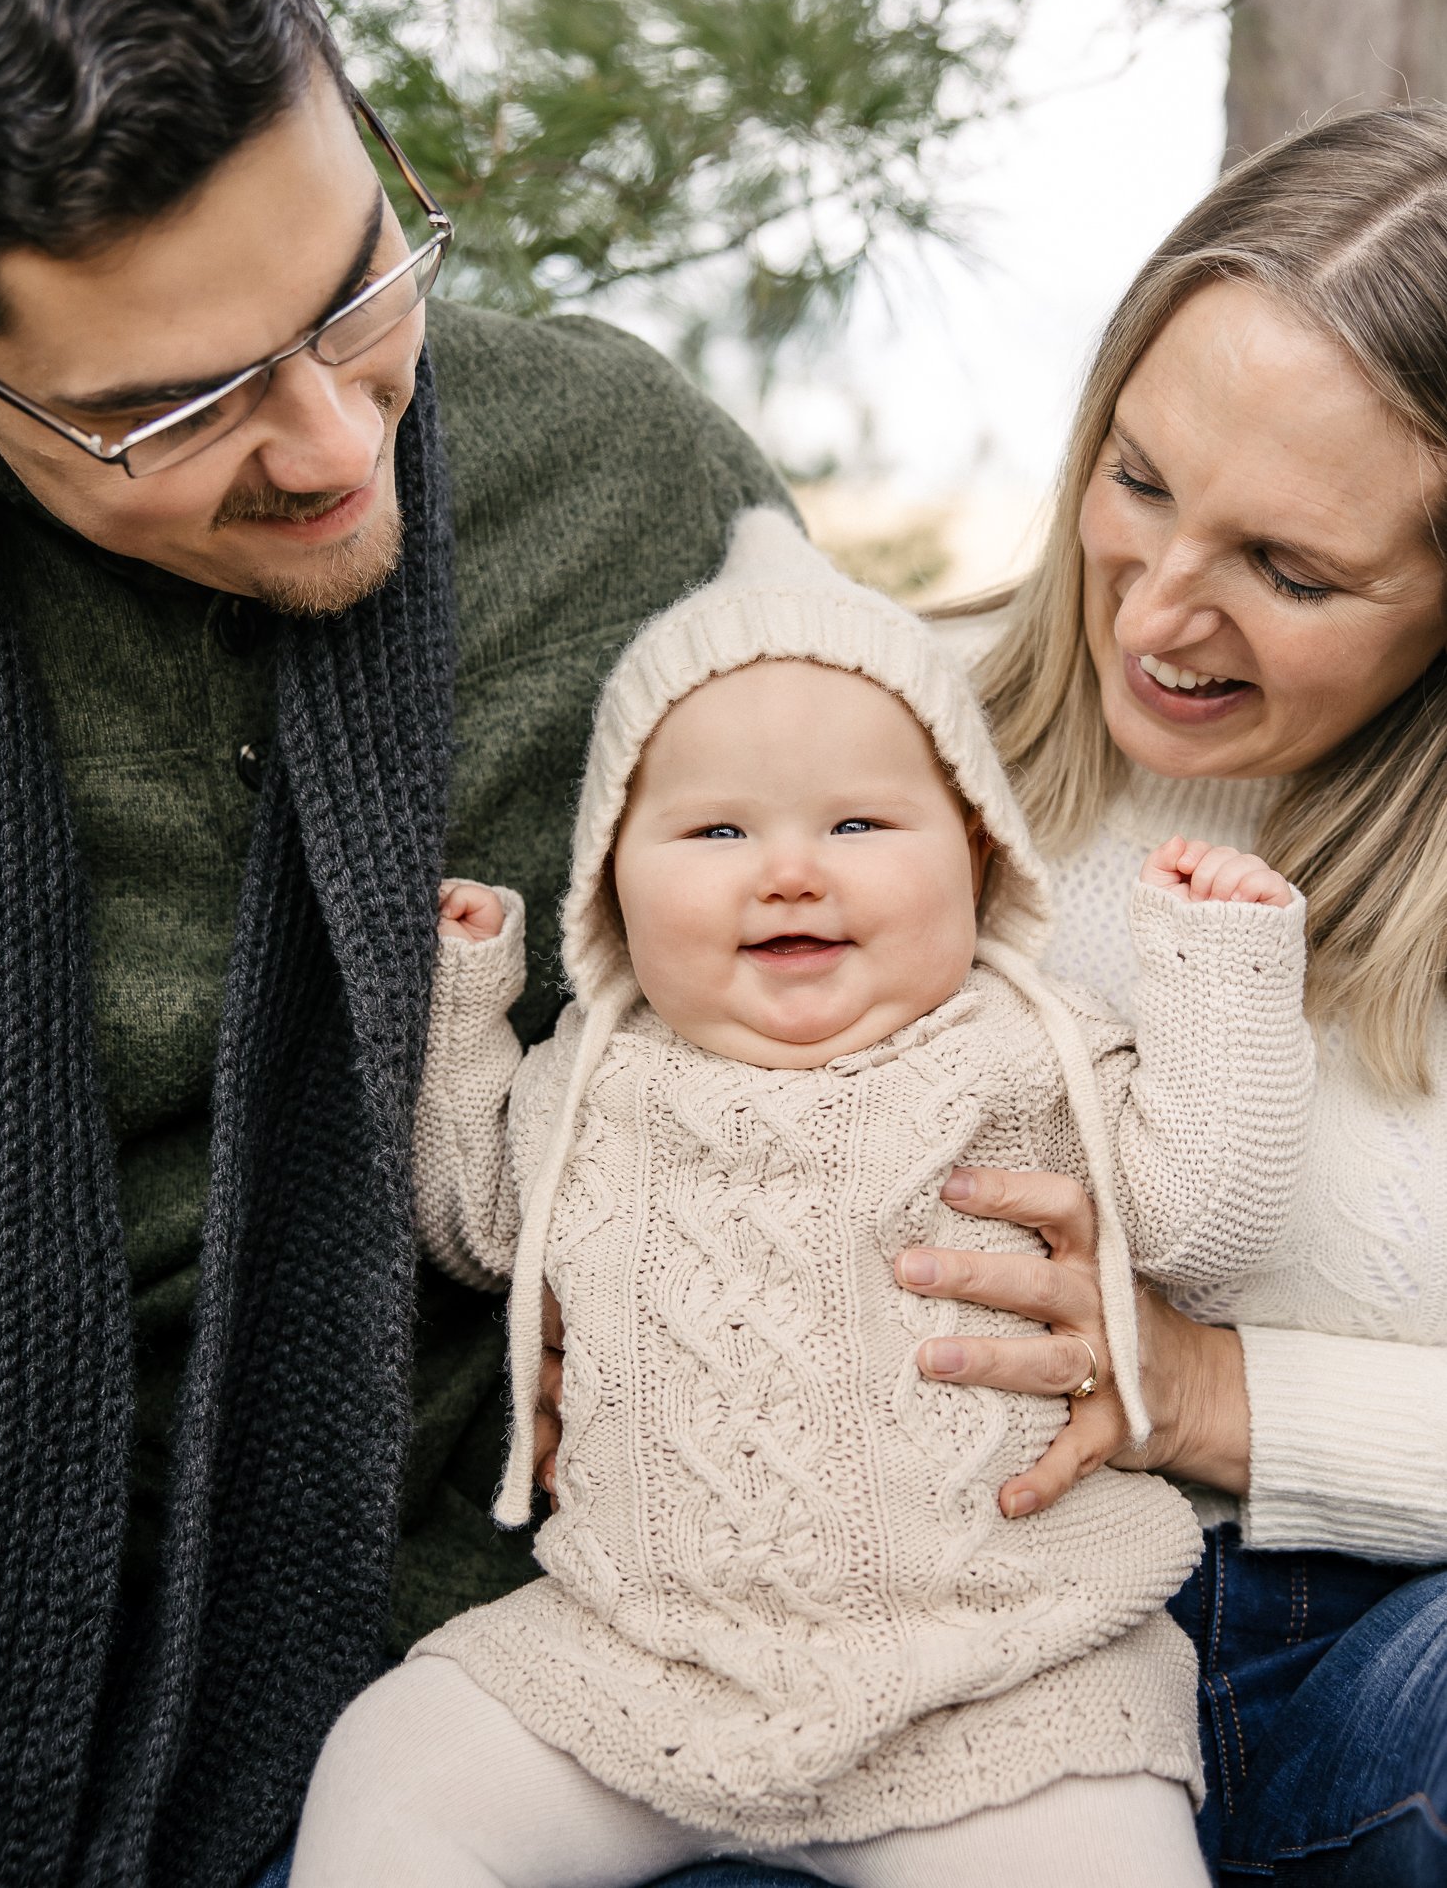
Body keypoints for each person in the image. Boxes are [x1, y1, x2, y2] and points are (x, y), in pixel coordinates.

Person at [0, 0, 786, 1888]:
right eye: (174, 405)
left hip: (608, 1696)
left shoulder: (632, 491)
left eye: (352, 287)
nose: (331, 445)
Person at [292, 508, 1314, 1887]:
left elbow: (1209, 1219)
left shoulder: (1023, 1052)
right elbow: (474, 1222)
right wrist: (463, 1010)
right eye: (714, 826)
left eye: (857, 820)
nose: (790, 867)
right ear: (610, 880)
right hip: (636, 1663)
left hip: (999, 1683)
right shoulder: (591, 1077)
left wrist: (1221, 967)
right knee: (390, 1764)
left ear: (972, 849)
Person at [870, 118, 1447, 1886]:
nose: (1164, 609)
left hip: (1380, 1662)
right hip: (933, 1656)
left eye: (1291, 569)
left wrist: (1197, 1389)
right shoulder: (877, 731)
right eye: (1138, 481)